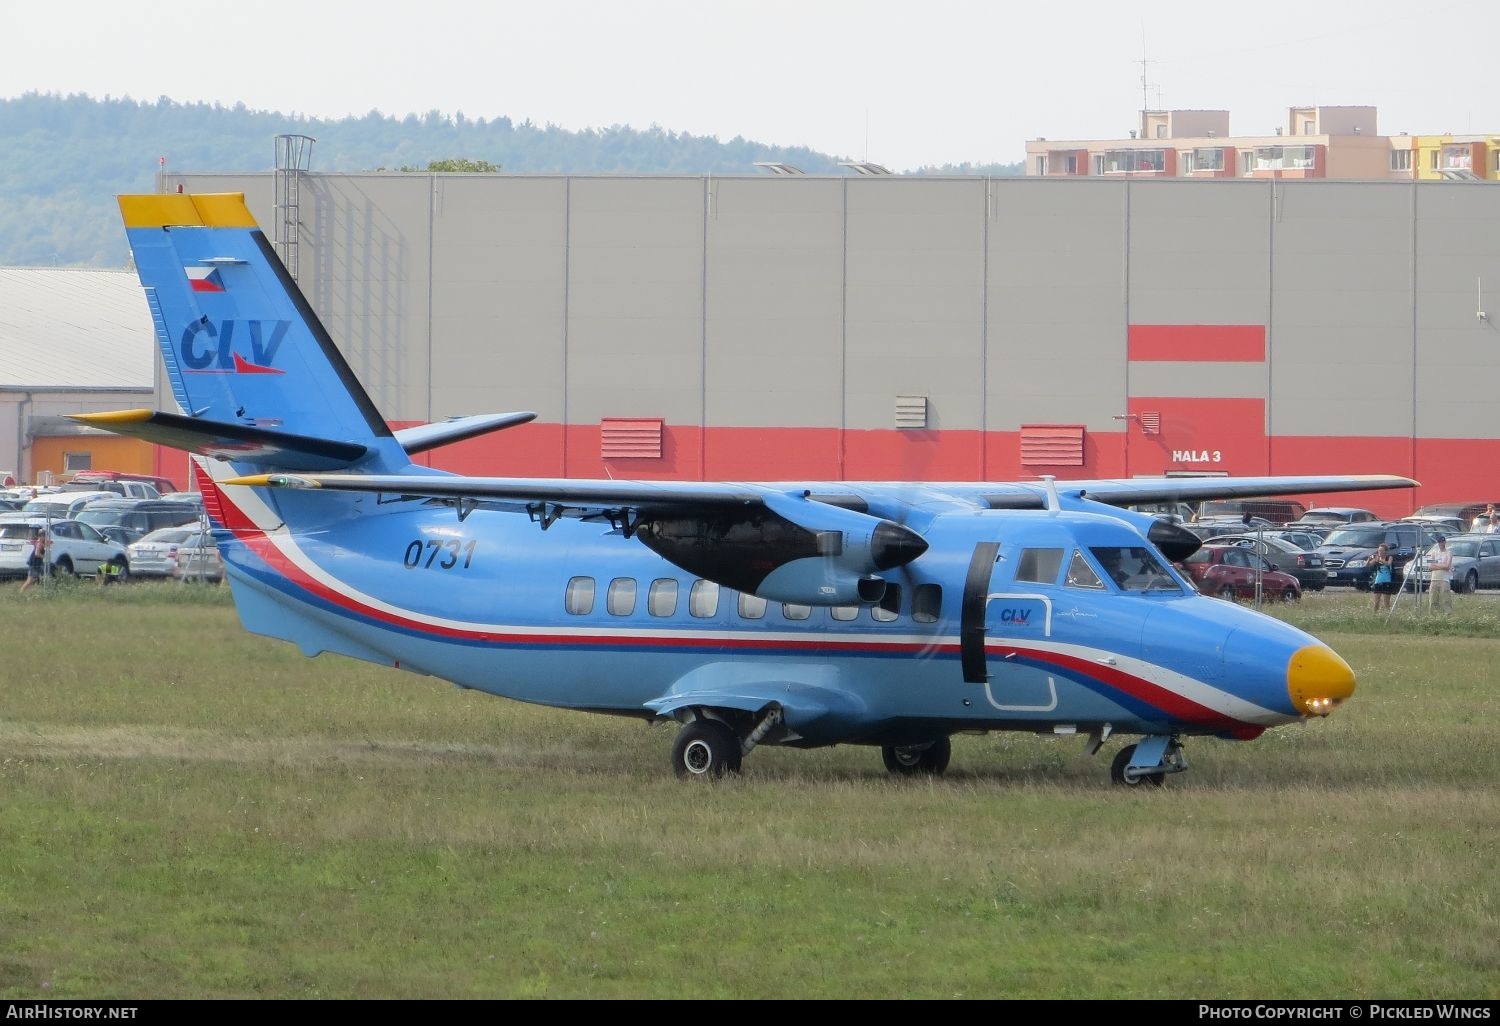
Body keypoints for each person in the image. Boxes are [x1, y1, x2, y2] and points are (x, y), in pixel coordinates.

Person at [1426, 535, 1454, 613]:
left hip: (1444, 579)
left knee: (1446, 599)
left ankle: (1448, 614)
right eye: (1439, 542)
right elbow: (1430, 566)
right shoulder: (1434, 553)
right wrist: (1442, 565)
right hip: (1434, 578)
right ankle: (1433, 615)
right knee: (1433, 599)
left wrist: (1436, 564)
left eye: (1442, 542)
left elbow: (1447, 566)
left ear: (1445, 542)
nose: (1441, 544)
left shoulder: (1448, 553)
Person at [18, 527, 48, 592]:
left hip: (36, 563)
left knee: (35, 578)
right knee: (30, 579)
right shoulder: (39, 543)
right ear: (41, 536)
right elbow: (37, 553)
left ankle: (28, 591)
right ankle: (21, 591)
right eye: (45, 536)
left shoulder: (39, 542)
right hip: (34, 563)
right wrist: (43, 556)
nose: (45, 538)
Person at [1369, 543, 1395, 612]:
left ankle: (1388, 616)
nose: (1379, 552)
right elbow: (1369, 564)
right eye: (1378, 550)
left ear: (1385, 551)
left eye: (1381, 550)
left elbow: (1388, 563)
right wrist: (1369, 559)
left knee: (1386, 602)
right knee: (1376, 602)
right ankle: (1374, 615)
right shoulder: (1377, 558)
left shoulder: (1389, 557)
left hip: (1387, 581)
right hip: (1378, 581)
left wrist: (1380, 560)